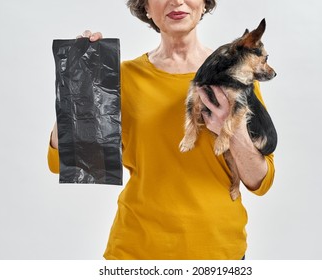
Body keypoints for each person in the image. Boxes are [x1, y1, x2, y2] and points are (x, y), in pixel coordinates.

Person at [48, 0, 275, 260]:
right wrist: (77, 84)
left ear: (204, 5)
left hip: (218, 252)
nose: (177, 1)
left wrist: (233, 130)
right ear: (145, 7)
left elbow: (261, 181)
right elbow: (67, 160)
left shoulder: (237, 79)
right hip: (135, 253)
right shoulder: (121, 78)